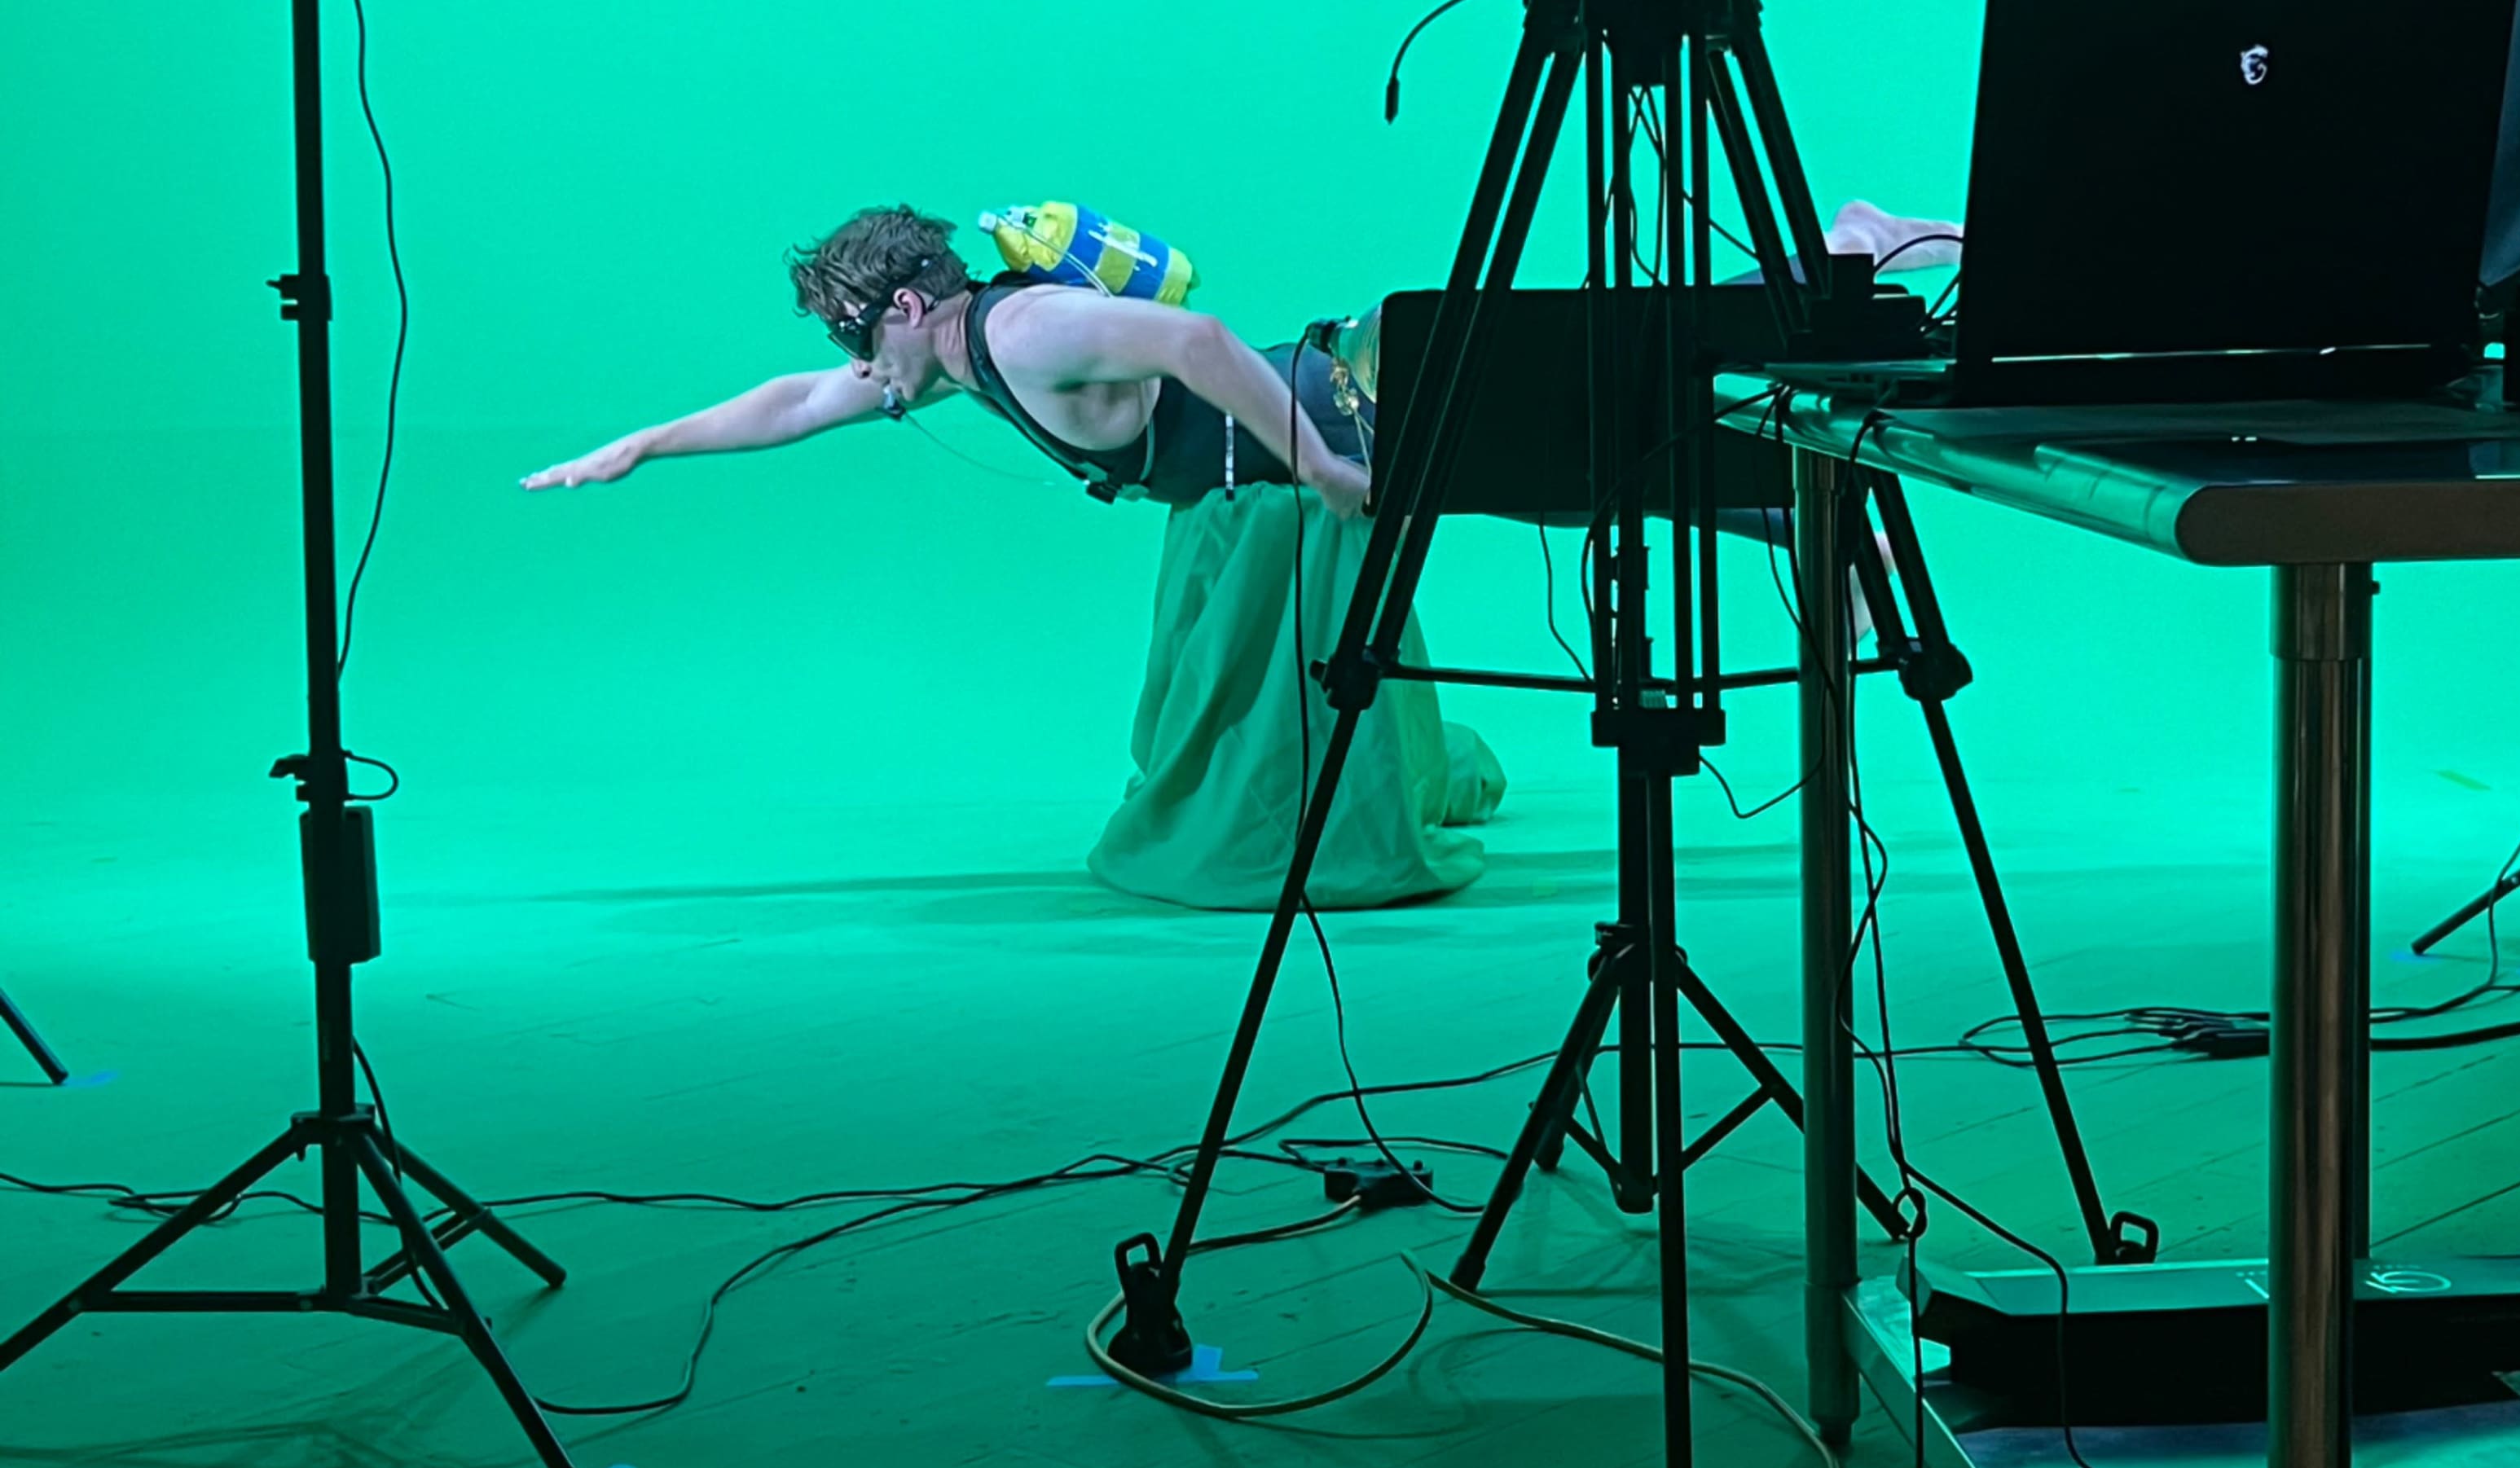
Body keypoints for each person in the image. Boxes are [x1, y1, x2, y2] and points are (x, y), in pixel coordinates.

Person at [522, 198, 1960, 908]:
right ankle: (1808, 392)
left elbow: (1201, 342)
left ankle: (1854, 249)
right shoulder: (949, 362)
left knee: (1600, 421)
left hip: (1367, 395)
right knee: (1592, 460)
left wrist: (1328, 461)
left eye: (851, 331)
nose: (846, 362)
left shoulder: (1022, 331)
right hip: (1332, 428)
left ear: (905, 303)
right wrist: (642, 443)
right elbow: (789, 407)